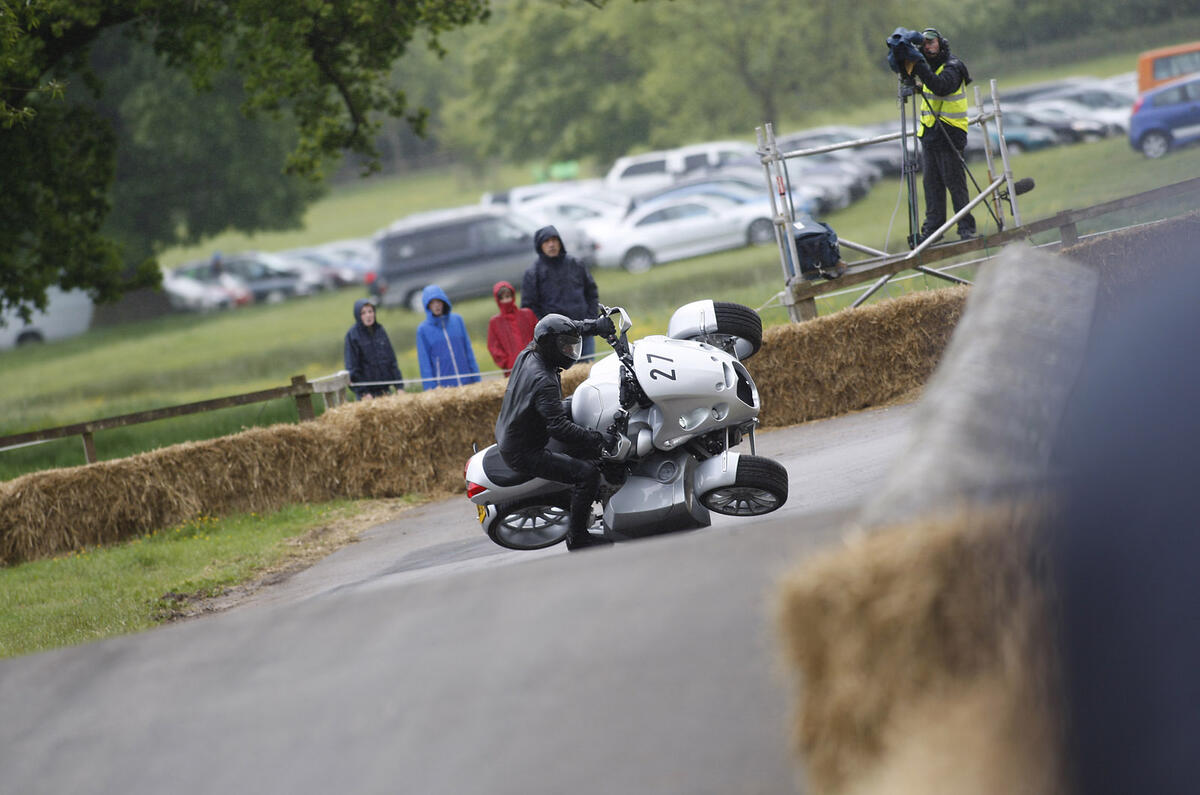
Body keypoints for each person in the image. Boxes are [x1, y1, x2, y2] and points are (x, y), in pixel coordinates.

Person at [494, 313, 618, 550]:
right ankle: (578, 537)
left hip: (521, 427)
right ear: (552, 347)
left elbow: (568, 328)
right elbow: (559, 429)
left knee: (574, 403)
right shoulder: (544, 379)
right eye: (566, 347)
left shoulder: (531, 351)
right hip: (525, 450)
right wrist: (600, 439)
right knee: (586, 475)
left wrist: (597, 326)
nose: (571, 351)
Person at [911, 27, 978, 244]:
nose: (928, 47)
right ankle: (933, 230)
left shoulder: (953, 66)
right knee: (931, 184)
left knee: (954, 182)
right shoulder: (926, 68)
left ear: (941, 43)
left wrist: (919, 65)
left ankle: (965, 227)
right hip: (931, 134)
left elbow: (940, 87)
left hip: (950, 132)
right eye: (924, 44)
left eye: (931, 42)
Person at [521, 226, 601, 359]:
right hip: (556, 337)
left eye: (554, 240)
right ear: (540, 246)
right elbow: (529, 308)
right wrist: (546, 329)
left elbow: (591, 293)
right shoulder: (533, 273)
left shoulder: (576, 264)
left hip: (583, 331)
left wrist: (591, 319)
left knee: (588, 372)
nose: (551, 244)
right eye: (546, 241)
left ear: (560, 242)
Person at [415, 284, 481, 390]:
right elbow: (424, 362)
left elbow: (468, 351)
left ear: (444, 302)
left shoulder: (457, 320)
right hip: (444, 388)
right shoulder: (423, 330)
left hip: (467, 384)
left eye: (438, 301)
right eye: (432, 303)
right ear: (427, 306)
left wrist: (476, 378)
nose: (436, 306)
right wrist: (431, 388)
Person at [344, 298, 403, 400]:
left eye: (370, 311)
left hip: (385, 391)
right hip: (367, 395)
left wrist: (399, 387)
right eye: (363, 313)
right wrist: (364, 392)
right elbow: (352, 368)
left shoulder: (380, 330)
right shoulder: (352, 335)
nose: (368, 315)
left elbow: (391, 361)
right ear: (358, 315)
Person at [487, 280, 538, 376]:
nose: (506, 300)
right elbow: (493, 347)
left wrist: (537, 354)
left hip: (535, 363)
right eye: (502, 298)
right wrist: (507, 363)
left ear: (513, 296)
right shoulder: (495, 322)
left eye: (508, 296)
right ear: (498, 300)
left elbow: (538, 334)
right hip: (513, 369)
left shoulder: (527, 314)